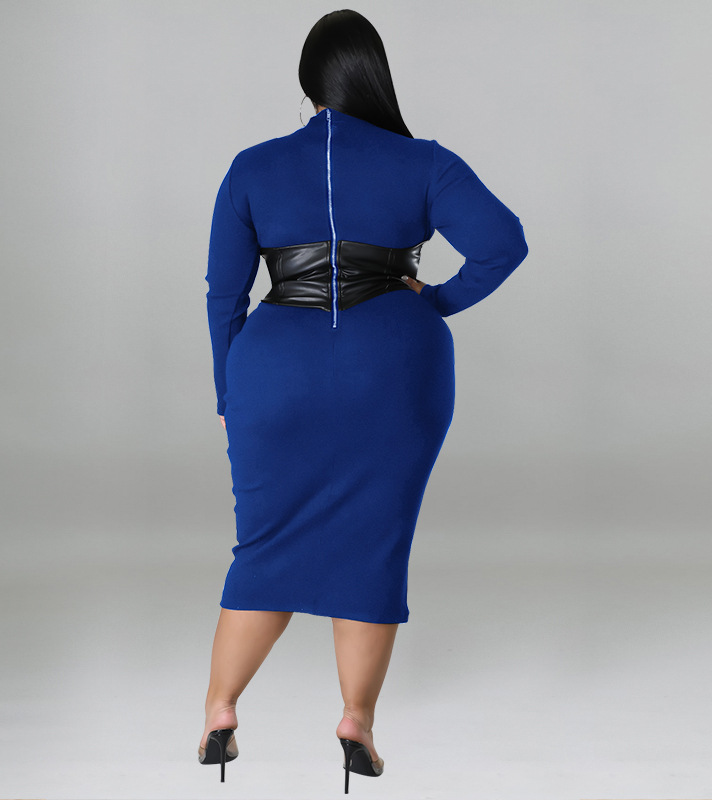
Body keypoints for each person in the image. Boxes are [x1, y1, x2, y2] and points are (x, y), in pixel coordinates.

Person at [199, 9, 528, 793]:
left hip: (273, 373)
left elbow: (223, 296)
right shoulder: (424, 162)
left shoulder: (252, 166)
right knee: (374, 540)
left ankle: (220, 711)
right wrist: (432, 302)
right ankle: (356, 723)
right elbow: (503, 242)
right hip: (395, 369)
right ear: (374, 75)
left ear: (308, 81)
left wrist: (229, 393)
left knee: (265, 542)